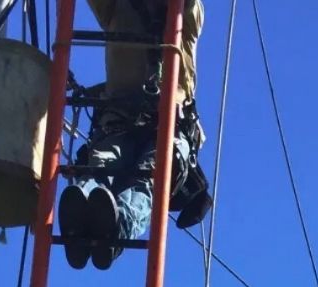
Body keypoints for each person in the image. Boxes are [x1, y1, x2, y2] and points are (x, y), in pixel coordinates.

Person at [59, 0, 209, 270]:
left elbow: (192, 9)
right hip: (119, 121)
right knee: (101, 165)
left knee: (147, 177)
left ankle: (118, 226)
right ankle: (81, 217)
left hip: (168, 125)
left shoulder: (181, 14)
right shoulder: (118, 6)